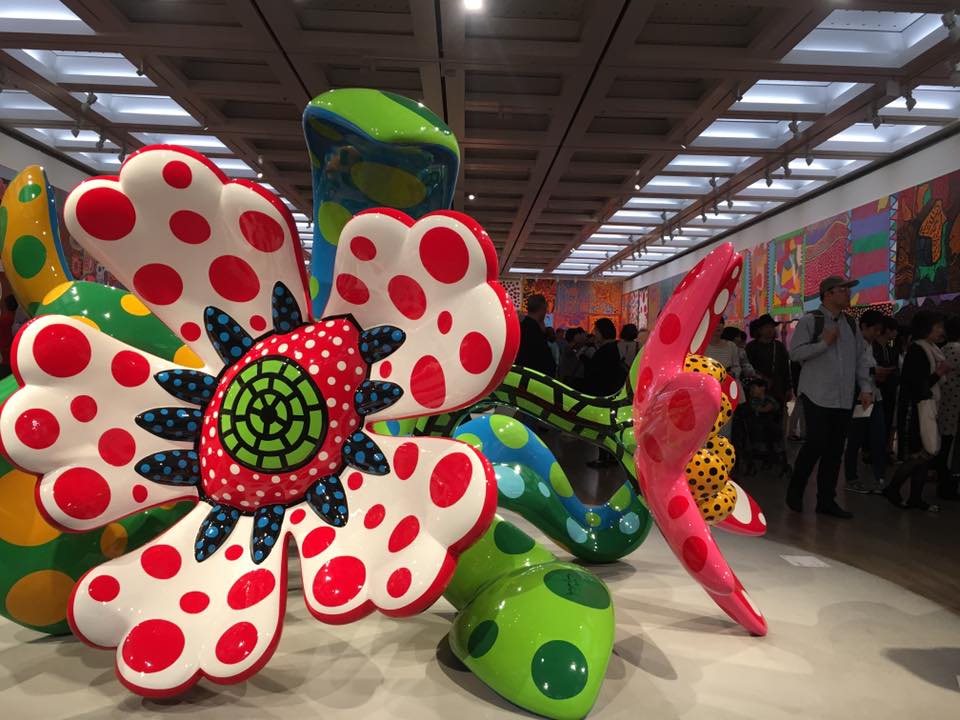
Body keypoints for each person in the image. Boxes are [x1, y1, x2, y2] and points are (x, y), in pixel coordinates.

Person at [786, 276, 875, 518]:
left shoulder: (851, 324)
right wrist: (823, 344)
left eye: (848, 290)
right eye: (843, 290)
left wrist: (866, 388)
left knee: (835, 449)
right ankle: (795, 491)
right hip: (816, 393)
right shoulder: (810, 321)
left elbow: (861, 359)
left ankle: (826, 500)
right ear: (827, 294)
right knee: (815, 443)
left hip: (844, 396)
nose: (848, 294)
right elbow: (795, 354)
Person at [884, 311, 953, 512]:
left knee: (924, 454)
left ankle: (915, 497)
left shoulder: (930, 349)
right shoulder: (918, 350)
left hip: (926, 407)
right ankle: (893, 488)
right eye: (937, 326)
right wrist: (939, 373)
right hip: (916, 409)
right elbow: (918, 386)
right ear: (925, 328)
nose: (941, 330)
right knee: (920, 454)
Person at [842, 310, 888, 494]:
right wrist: (873, 371)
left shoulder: (871, 345)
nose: (877, 333)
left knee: (879, 437)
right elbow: (853, 369)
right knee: (856, 438)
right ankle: (851, 478)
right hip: (861, 398)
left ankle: (880, 478)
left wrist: (877, 373)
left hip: (874, 396)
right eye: (874, 329)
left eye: (879, 330)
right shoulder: (854, 344)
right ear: (863, 326)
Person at [584, 318, 625, 467]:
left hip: (602, 393)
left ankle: (603, 457)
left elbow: (597, 373)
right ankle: (611, 456)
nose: (594, 333)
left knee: (602, 427)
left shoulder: (605, 351)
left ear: (602, 332)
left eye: (596, 330)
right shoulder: (613, 349)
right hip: (611, 392)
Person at [934, 314, 960, 500]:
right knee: (952, 451)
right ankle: (947, 487)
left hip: (943, 404)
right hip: (956, 408)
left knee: (944, 447)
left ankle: (943, 483)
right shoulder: (958, 350)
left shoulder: (942, 349)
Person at [516, 294, 556, 376]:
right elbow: (546, 363)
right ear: (543, 308)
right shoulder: (534, 330)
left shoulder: (520, 327)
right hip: (533, 377)